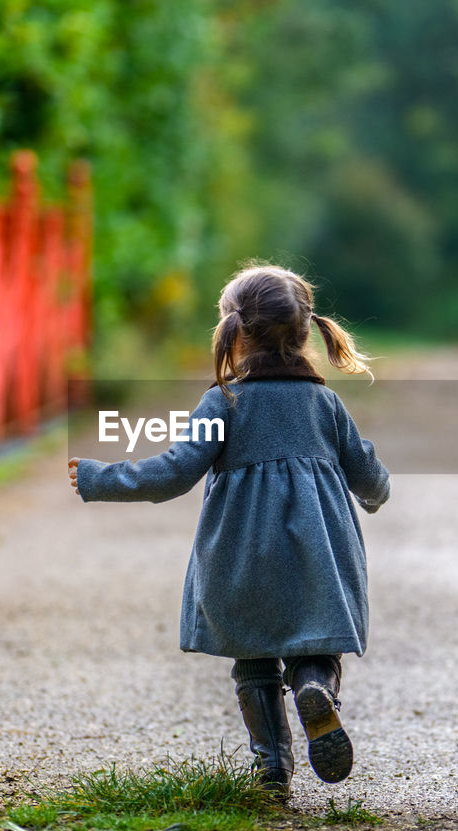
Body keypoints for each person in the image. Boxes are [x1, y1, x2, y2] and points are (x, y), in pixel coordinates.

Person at [68, 264, 390, 799]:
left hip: (242, 555)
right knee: (316, 642)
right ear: (305, 332)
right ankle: (314, 686)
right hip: (319, 553)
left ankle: (270, 770)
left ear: (234, 333)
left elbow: (173, 473)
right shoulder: (326, 404)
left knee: (254, 657)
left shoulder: (223, 401)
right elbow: (366, 474)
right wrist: (377, 494)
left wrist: (103, 478)